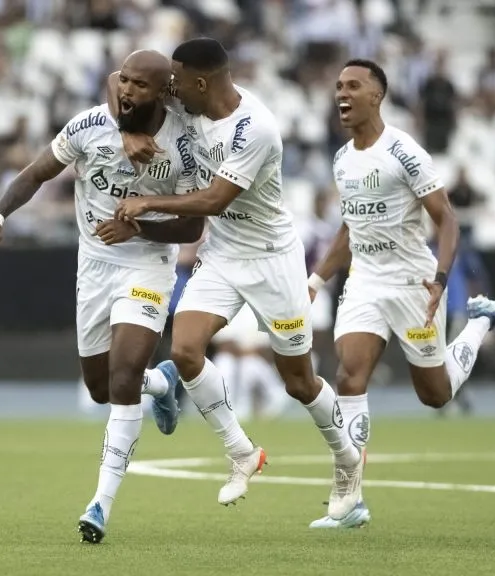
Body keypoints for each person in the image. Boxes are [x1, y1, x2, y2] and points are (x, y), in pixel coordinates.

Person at [109, 38, 361, 520]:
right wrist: (127, 133)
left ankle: (347, 458)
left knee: (299, 382)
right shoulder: (188, 105)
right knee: (184, 350)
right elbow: (117, 82)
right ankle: (242, 451)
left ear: (201, 82)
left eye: (177, 82)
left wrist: (148, 203)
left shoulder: (255, 127)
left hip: (272, 260)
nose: (170, 91)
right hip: (223, 254)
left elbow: (215, 200)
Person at [0, 50, 199, 544]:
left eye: (140, 85)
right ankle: (161, 385)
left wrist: (138, 225)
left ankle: (100, 503)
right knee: (101, 388)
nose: (126, 90)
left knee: (121, 378)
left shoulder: (185, 143)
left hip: (147, 265)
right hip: (94, 267)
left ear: (163, 93)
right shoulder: (90, 125)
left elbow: (193, 224)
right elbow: (35, 173)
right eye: (124, 81)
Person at [306, 59, 495, 529]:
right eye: (338, 85)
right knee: (350, 377)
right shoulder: (342, 159)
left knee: (435, 395)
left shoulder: (404, 151)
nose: (342, 93)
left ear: (377, 96)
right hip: (365, 283)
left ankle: (479, 323)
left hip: (413, 283)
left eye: (353, 86)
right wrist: (316, 281)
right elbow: (349, 229)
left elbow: (447, 219)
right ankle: (350, 497)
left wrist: (440, 280)